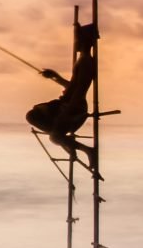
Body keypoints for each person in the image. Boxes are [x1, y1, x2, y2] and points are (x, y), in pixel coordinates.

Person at [27, 22, 98, 171]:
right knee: (34, 115)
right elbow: (72, 86)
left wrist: (66, 113)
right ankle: (65, 141)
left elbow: (79, 90)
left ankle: (86, 150)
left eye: (77, 39)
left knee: (53, 135)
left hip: (74, 107)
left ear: (84, 40)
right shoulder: (82, 60)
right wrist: (55, 76)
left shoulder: (86, 62)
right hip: (67, 103)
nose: (75, 43)